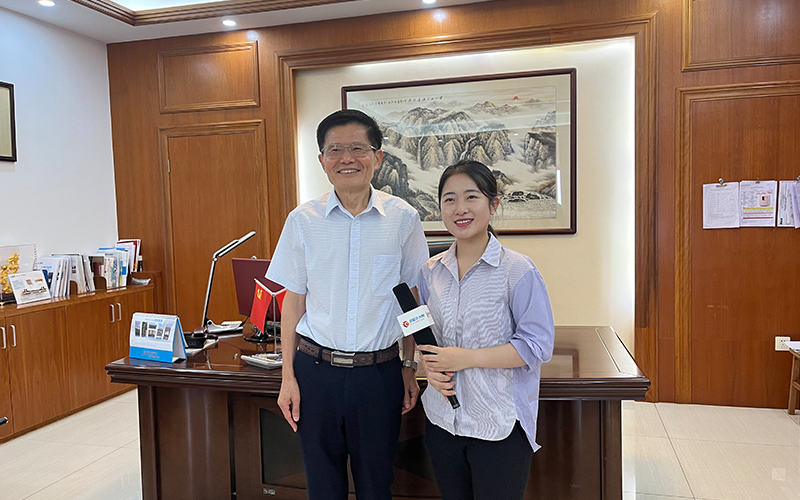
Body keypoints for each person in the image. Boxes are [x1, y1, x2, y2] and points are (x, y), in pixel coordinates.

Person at [265, 109, 429, 500]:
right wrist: (288, 376)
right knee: (322, 485)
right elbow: (293, 302)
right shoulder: (303, 220)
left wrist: (409, 366)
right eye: (335, 150)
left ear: (378, 157)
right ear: (322, 161)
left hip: (379, 374)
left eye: (358, 148)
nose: (347, 158)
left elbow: (412, 300)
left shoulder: (403, 219)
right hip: (315, 372)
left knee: (377, 484)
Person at [416, 159, 555, 500]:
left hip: (499, 425)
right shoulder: (430, 271)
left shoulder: (517, 270)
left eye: (471, 197)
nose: (460, 208)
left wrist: (467, 358)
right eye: (449, 199)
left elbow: (537, 346)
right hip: (442, 420)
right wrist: (427, 369)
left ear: (493, 204)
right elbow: (426, 339)